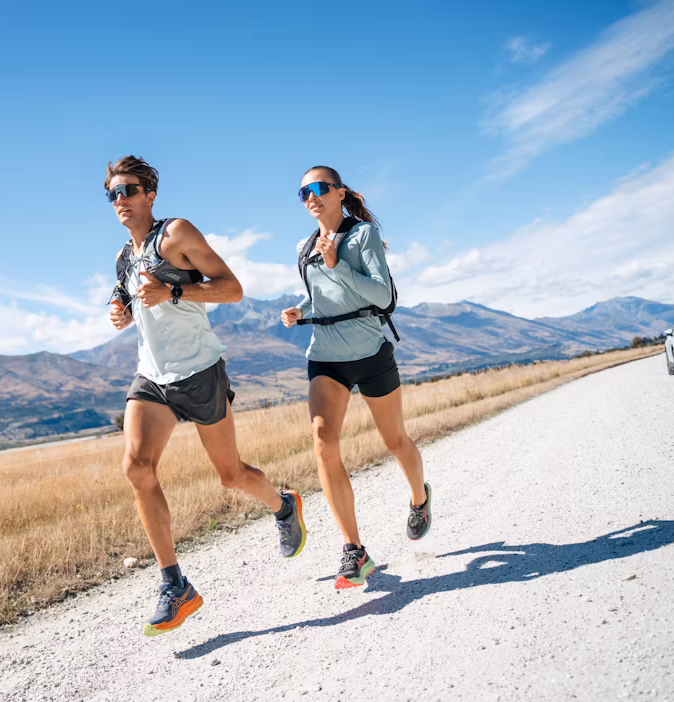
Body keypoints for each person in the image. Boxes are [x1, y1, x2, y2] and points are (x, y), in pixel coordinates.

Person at [104, 155, 307, 636]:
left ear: (150, 194)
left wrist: (174, 295)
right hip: (152, 378)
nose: (120, 201)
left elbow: (232, 289)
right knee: (136, 468)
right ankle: (175, 585)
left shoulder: (175, 234)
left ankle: (284, 506)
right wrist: (121, 308)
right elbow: (129, 292)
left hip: (199, 372)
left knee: (230, 475)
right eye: (112, 194)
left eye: (129, 190)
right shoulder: (123, 256)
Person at [279, 165, 431, 590]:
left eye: (319, 188)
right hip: (325, 357)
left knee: (394, 440)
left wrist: (336, 263)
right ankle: (354, 550)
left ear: (339, 192)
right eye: (303, 191)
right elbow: (321, 295)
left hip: (369, 353)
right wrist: (299, 309)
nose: (311, 196)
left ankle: (420, 499)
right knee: (324, 444)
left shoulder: (362, 236)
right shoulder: (303, 245)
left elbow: (384, 297)